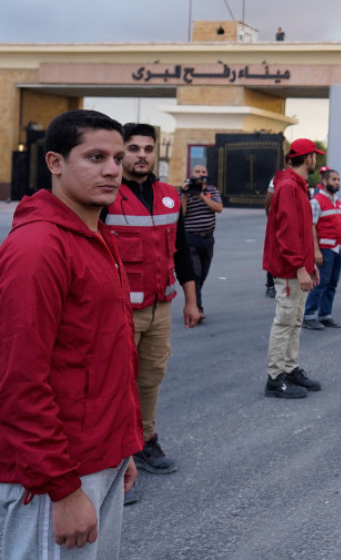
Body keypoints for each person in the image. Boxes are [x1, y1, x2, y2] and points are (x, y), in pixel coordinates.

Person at [0, 110, 142, 558]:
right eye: (96, 157)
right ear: (55, 163)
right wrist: (61, 488)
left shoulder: (96, 236)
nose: (113, 170)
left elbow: (101, 358)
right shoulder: (39, 247)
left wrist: (123, 448)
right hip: (55, 476)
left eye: (117, 158)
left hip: (100, 458)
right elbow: (18, 381)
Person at [106, 123, 201, 478]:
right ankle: (113, 456)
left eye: (148, 149)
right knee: (114, 382)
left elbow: (182, 252)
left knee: (150, 378)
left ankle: (145, 441)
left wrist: (191, 301)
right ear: (122, 153)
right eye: (134, 149)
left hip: (160, 307)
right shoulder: (107, 195)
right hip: (118, 311)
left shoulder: (168, 195)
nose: (142, 155)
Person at [263, 138, 325, 398]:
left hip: (297, 267)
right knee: (285, 321)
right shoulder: (289, 186)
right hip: (289, 269)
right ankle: (275, 378)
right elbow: (287, 233)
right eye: (314, 156)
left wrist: (309, 265)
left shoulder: (297, 185)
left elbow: (303, 231)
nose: (315, 160)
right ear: (308, 158)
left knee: (295, 321)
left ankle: (290, 369)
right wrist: (300, 267)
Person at [303, 168, 341, 330]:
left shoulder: (338, 202)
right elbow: (311, 227)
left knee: (332, 284)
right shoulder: (316, 202)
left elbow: (340, 227)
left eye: (338, 179)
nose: (337, 182)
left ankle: (325, 314)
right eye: (334, 179)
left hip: (337, 248)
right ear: (324, 181)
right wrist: (315, 250)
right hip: (325, 249)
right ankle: (308, 315)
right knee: (320, 283)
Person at [180, 163, 223, 319]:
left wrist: (202, 196)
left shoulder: (211, 190)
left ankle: (193, 298)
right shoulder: (185, 190)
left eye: (203, 171)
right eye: (197, 171)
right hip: (190, 239)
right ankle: (197, 307)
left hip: (208, 240)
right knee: (196, 274)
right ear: (192, 174)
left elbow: (219, 208)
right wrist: (186, 194)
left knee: (203, 274)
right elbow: (181, 214)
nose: (200, 174)